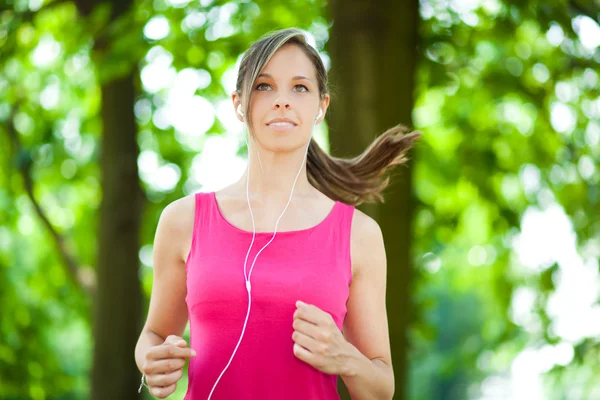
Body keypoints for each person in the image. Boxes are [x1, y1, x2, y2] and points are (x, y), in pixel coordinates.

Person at [134, 27, 420, 399]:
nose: (282, 100)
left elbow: (381, 389)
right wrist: (151, 360)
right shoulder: (183, 221)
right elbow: (154, 334)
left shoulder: (357, 235)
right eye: (264, 86)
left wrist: (344, 357)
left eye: (300, 87)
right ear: (239, 103)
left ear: (321, 107)